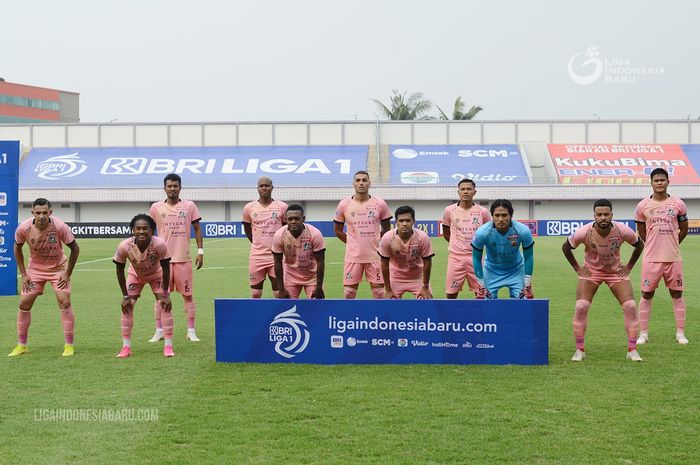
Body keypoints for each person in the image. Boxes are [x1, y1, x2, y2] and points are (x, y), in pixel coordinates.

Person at [562, 199, 645, 362]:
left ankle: (632, 350)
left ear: (612, 215)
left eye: (606, 214)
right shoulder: (584, 231)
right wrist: (578, 268)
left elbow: (639, 244)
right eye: (599, 214)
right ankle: (579, 350)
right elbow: (566, 247)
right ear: (594, 216)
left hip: (615, 272)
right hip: (592, 272)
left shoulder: (622, 230)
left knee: (630, 306)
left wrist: (628, 266)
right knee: (581, 306)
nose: (603, 217)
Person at [9, 198, 80, 357]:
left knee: (65, 301)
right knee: (24, 304)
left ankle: (69, 345)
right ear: (32, 212)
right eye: (38, 212)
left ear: (50, 213)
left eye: (45, 213)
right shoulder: (23, 228)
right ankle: (22, 345)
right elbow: (17, 248)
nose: (41, 216)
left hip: (58, 268)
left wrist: (67, 273)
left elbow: (75, 249)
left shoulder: (60, 226)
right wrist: (24, 274)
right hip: (35, 269)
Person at [634, 168, 689, 345]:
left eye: (662, 180)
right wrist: (653, 244)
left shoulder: (678, 204)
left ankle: (680, 333)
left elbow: (684, 229)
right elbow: (642, 232)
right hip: (651, 258)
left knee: (676, 293)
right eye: (656, 180)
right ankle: (643, 334)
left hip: (673, 258)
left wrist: (672, 242)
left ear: (668, 181)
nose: (659, 183)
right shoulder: (642, 206)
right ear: (651, 182)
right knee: (647, 293)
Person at [149, 173, 203, 343]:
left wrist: (200, 252)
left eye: (175, 186)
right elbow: (149, 232)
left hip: (183, 259)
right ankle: (159, 330)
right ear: (164, 188)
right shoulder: (156, 208)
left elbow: (197, 229)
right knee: (161, 296)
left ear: (180, 187)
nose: (172, 189)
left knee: (188, 296)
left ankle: (191, 330)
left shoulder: (189, 206)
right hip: (162, 260)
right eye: (169, 186)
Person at [113, 214, 173, 358]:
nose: (141, 231)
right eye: (138, 228)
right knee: (127, 307)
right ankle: (126, 347)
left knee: (165, 305)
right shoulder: (124, 246)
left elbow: (166, 268)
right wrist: (125, 296)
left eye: (145, 228)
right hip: (135, 276)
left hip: (156, 275)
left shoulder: (159, 244)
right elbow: (119, 270)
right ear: (133, 230)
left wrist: (165, 293)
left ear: (151, 230)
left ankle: (168, 346)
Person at [334, 170, 392, 299]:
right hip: (353, 257)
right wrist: (352, 242)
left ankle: (378, 319)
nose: (361, 183)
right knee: (349, 293)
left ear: (369, 183)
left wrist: (377, 242)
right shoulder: (344, 204)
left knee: (379, 294)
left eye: (364, 180)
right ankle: (349, 319)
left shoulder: (380, 203)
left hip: (375, 256)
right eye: (358, 180)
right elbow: (337, 230)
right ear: (353, 184)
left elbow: (387, 229)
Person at [471, 199, 534, 299]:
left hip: (516, 270)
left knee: (524, 303)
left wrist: (527, 283)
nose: (500, 219)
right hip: (491, 270)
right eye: (497, 215)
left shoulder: (523, 231)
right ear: (492, 216)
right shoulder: (482, 232)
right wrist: (481, 284)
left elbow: (529, 257)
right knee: (485, 304)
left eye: (504, 215)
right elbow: (476, 258)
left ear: (511, 215)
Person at [442, 178, 491, 299]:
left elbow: (488, 233)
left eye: (469, 189)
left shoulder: (483, 211)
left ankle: (481, 317)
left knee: (481, 292)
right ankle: (450, 317)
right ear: (458, 192)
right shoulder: (449, 210)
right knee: (451, 292)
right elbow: (446, 232)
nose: (465, 192)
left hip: (476, 258)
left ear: (474, 192)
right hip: (456, 258)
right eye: (462, 189)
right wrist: (458, 245)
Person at [242, 177, 288, 298]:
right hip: (257, 255)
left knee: (278, 292)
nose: (264, 188)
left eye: (267, 185)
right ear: (257, 188)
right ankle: (256, 316)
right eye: (261, 186)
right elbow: (247, 227)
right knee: (255, 293)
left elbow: (286, 229)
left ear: (272, 187)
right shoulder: (249, 207)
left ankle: (280, 316)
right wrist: (256, 242)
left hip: (277, 256)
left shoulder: (282, 206)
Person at [379, 206, 435, 299]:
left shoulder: (422, 237)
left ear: (413, 221)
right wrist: (388, 290)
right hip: (395, 277)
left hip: (418, 277)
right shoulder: (387, 238)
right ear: (396, 222)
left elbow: (427, 262)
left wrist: (425, 287)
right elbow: (384, 263)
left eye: (408, 220)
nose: (404, 224)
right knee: (389, 304)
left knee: (426, 303)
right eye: (401, 221)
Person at [271, 204, 326, 299]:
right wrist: (281, 289)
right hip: (290, 276)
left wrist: (319, 287)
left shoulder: (314, 234)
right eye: (290, 219)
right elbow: (277, 263)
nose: (293, 222)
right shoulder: (279, 235)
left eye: (296, 219)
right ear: (286, 219)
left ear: (303, 219)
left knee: (317, 306)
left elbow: (320, 262)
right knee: (288, 307)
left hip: (312, 276)